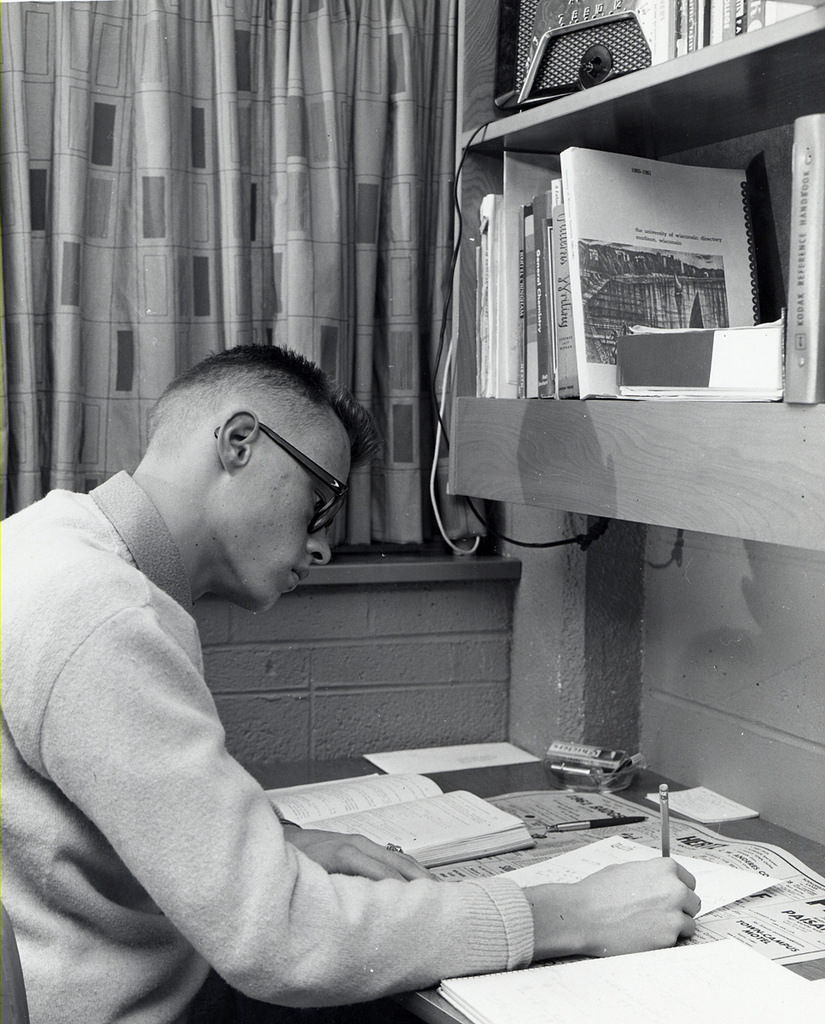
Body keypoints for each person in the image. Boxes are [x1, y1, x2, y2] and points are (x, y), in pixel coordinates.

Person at [0, 345, 701, 1023]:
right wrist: (567, 913)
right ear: (239, 442)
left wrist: (282, 844)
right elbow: (280, 942)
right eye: (319, 500)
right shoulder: (105, 615)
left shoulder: (45, 542)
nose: (321, 545)